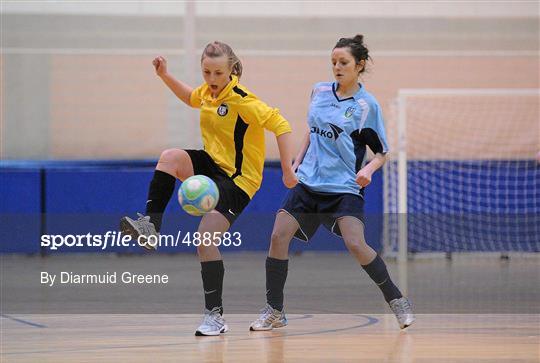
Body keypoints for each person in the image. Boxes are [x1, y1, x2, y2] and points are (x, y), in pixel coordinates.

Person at [120, 41, 298, 336]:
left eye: (218, 73)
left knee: (204, 240)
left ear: (231, 71)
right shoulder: (206, 92)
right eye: (206, 72)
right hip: (211, 166)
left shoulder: (243, 100)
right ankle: (150, 226)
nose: (212, 80)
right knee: (169, 158)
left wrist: (288, 170)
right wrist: (164, 75)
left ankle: (214, 316)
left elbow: (281, 124)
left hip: (238, 180)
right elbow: (191, 97)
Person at [249, 34, 415, 331]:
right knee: (277, 237)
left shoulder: (367, 106)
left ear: (359, 65)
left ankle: (397, 299)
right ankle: (274, 310)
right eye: (333, 62)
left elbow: (382, 153)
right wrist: (297, 160)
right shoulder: (320, 91)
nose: (337, 67)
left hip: (343, 189)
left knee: (355, 243)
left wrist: (370, 170)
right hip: (309, 183)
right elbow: (312, 130)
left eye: (344, 62)